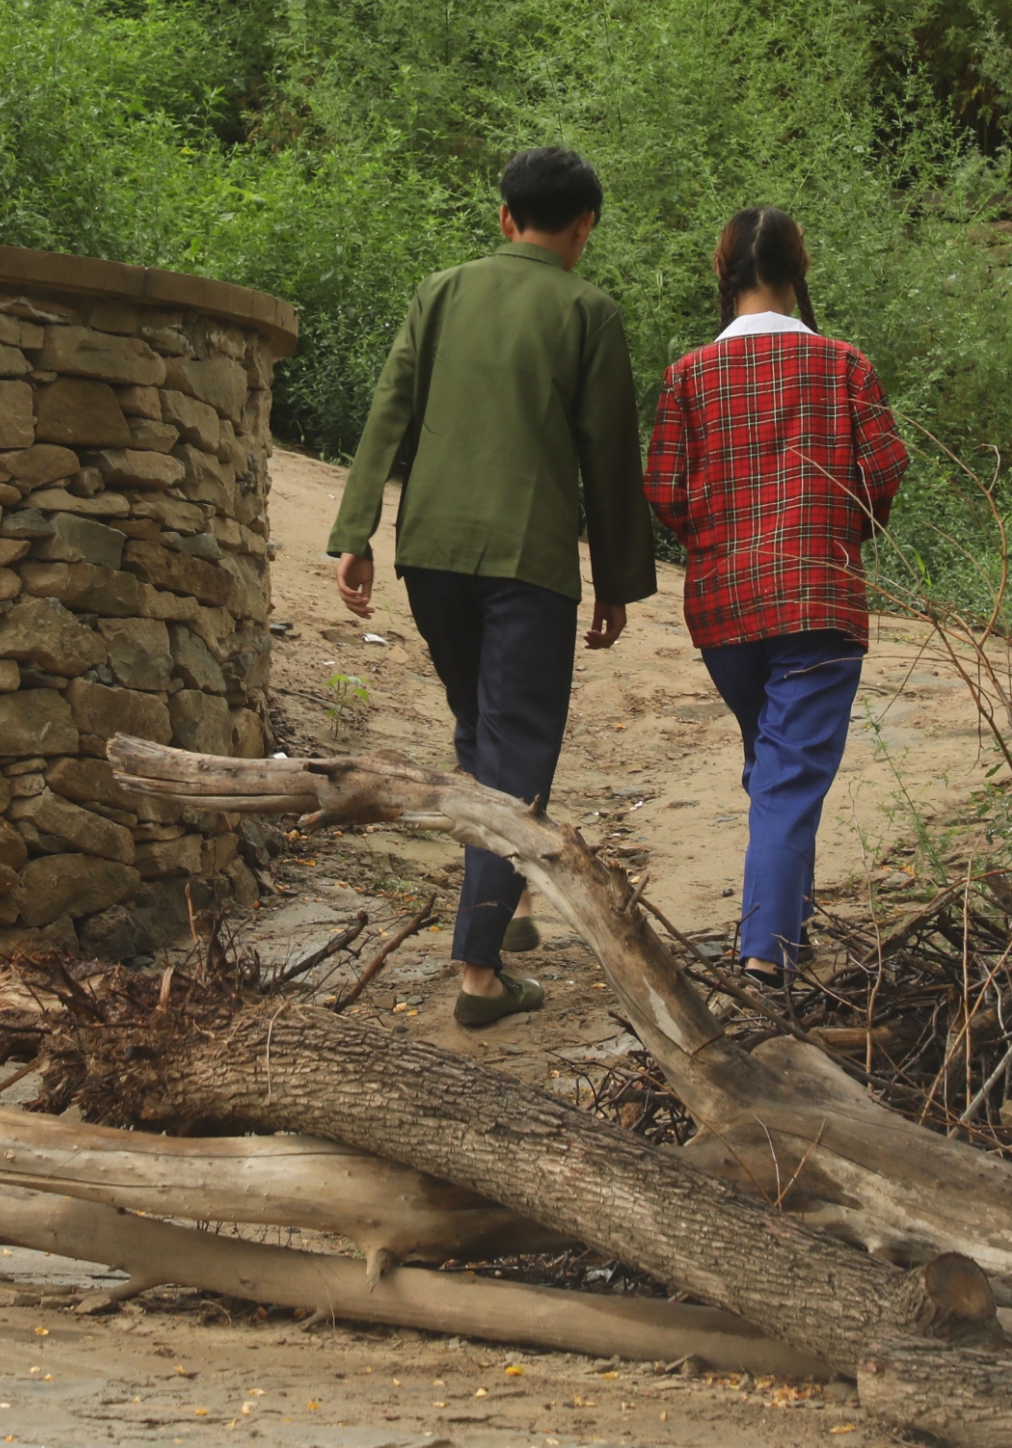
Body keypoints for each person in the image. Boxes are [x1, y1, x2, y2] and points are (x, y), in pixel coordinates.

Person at [327, 146, 656, 1029]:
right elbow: (608, 454)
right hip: (526, 559)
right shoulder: (589, 310)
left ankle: (507, 909)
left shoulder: (440, 291)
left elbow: (389, 409)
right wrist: (619, 577)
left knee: (481, 727)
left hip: (429, 549)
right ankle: (478, 971)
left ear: (505, 217)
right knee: (514, 749)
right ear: (583, 228)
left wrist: (353, 531)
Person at [644, 207, 909, 982]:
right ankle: (764, 954)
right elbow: (887, 470)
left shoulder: (688, 375)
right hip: (817, 600)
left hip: (725, 609)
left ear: (722, 275)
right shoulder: (844, 366)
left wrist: (716, 539)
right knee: (787, 777)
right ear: (800, 269)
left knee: (774, 770)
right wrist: (846, 527)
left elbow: (663, 490)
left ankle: (788, 926)